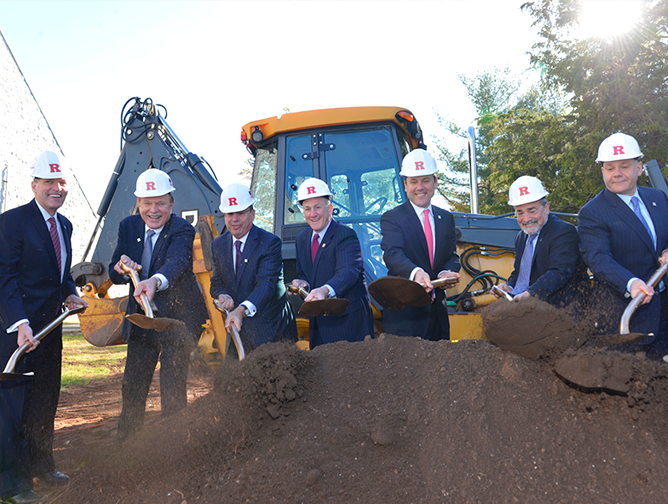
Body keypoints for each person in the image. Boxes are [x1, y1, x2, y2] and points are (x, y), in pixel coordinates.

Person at [0, 151, 88, 503]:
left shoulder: (63, 225)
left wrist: (71, 294)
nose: (56, 188)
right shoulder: (12, 223)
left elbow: (60, 276)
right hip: (18, 336)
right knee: (14, 409)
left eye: (61, 182)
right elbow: (4, 279)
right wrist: (20, 324)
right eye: (49, 182)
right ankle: (14, 484)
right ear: (34, 185)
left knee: (44, 402)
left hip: (50, 332)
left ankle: (42, 464)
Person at [109, 169, 208, 442]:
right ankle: (126, 449)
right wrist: (120, 267)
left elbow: (177, 263)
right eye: (146, 203)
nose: (153, 210)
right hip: (143, 321)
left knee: (172, 390)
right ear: (138, 203)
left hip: (177, 321)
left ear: (171, 204)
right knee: (133, 387)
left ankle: (173, 448)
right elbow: (114, 270)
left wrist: (154, 281)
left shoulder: (182, 229)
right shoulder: (127, 226)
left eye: (160, 203)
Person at [578, 133, 668, 350]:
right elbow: (598, 258)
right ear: (602, 172)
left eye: (624, 166)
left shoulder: (658, 198)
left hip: (664, 306)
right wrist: (632, 283)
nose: (616, 174)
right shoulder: (592, 212)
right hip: (626, 312)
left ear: (638, 169)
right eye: (610, 168)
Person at [380, 149, 461, 341]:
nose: (420, 187)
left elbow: (451, 256)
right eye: (414, 181)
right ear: (405, 185)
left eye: (425, 180)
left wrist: (446, 272)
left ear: (435, 182)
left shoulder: (446, 218)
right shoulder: (392, 218)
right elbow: (392, 254)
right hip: (406, 317)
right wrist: (416, 272)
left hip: (437, 317)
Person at [210, 183, 296, 355]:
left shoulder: (269, 243)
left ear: (252, 214)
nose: (234, 219)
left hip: (271, 331)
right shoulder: (218, 245)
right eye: (229, 214)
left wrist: (240, 310)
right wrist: (222, 295)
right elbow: (216, 282)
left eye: (240, 213)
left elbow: (266, 285)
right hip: (238, 331)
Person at [290, 178, 374, 348]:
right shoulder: (302, 239)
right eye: (307, 209)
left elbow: (348, 272)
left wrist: (324, 290)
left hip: (348, 325)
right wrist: (302, 282)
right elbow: (306, 273)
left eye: (317, 207)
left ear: (329, 209)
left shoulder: (345, 235)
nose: (312, 214)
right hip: (318, 325)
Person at [494, 176, 590, 310]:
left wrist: (531, 293)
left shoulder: (563, 232)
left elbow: (559, 272)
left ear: (547, 208)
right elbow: (520, 273)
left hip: (565, 312)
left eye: (532, 210)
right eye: (520, 213)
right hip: (533, 312)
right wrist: (509, 287)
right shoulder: (521, 237)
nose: (526, 219)